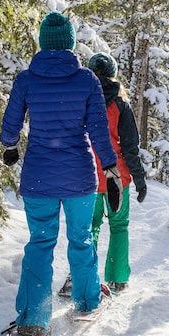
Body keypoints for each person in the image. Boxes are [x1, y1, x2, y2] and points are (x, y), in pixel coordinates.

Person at [0, 11, 122, 336]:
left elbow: (10, 126)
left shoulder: (26, 80)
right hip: (79, 176)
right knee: (81, 239)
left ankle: (33, 322)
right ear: (69, 42)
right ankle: (87, 302)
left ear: (43, 42)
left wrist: (10, 146)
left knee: (39, 244)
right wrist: (110, 168)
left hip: (39, 177)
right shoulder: (86, 80)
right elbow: (98, 130)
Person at [59, 52, 147, 297]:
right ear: (112, 75)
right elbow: (130, 147)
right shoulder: (120, 106)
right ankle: (117, 279)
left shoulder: (79, 103)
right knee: (119, 226)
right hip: (116, 177)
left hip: (86, 176)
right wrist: (139, 179)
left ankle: (78, 278)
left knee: (88, 228)